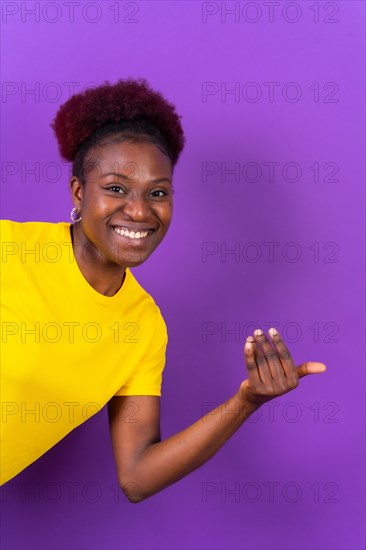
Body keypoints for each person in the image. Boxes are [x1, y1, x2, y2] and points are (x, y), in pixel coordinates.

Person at [0, 77, 327, 501]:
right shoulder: (11, 250)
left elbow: (137, 476)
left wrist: (246, 401)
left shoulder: (143, 328)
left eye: (157, 192)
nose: (139, 210)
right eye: (115, 188)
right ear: (79, 192)